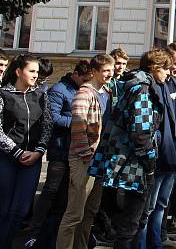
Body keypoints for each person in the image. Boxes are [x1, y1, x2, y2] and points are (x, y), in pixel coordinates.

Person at [88, 50, 165, 249]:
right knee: (132, 220)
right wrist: (149, 159)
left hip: (130, 158)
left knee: (131, 219)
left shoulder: (136, 84)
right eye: (166, 68)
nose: (169, 74)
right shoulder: (143, 89)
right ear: (155, 68)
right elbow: (140, 131)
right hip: (134, 161)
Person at [25, 60, 91, 248]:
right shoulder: (59, 90)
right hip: (60, 150)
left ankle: (52, 232)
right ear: (76, 74)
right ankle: (34, 233)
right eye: (84, 79)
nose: (86, 83)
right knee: (50, 193)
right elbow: (52, 118)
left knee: (64, 196)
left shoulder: (82, 90)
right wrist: (78, 123)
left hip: (75, 151)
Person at [56, 53, 114, 249]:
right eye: (105, 70)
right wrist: (86, 153)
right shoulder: (84, 92)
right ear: (95, 71)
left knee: (90, 212)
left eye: (111, 70)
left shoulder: (106, 92)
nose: (110, 74)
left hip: (100, 157)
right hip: (84, 158)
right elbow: (78, 124)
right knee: (74, 214)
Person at [137, 44, 176, 249]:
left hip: (174, 153)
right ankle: (144, 243)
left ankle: (156, 240)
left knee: (161, 203)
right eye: (173, 65)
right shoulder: (151, 86)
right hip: (158, 155)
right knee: (148, 207)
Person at [0, 53, 52, 247]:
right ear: (18, 72)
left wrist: (38, 151)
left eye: (37, 72)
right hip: (7, 158)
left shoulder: (40, 94)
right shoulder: (4, 94)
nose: (36, 75)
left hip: (33, 158)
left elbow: (47, 125)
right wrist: (16, 152)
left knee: (20, 211)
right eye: (32, 71)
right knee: (4, 209)